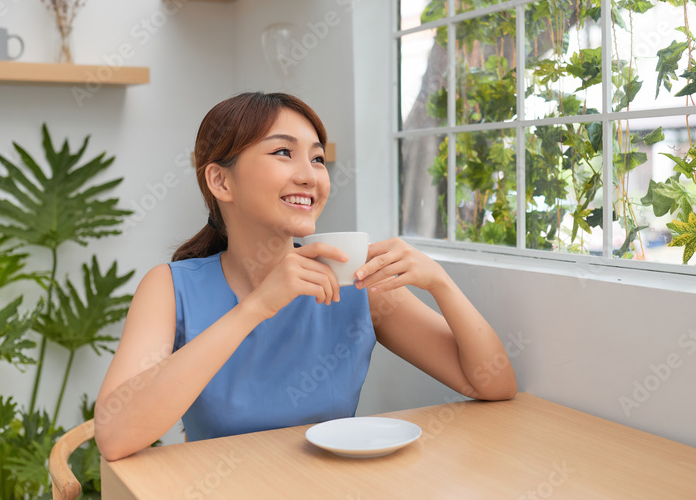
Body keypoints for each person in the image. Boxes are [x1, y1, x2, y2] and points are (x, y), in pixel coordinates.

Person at [95, 92, 516, 461]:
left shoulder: (352, 281)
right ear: (221, 180)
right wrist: (257, 307)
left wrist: (440, 282)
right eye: (283, 153)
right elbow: (114, 437)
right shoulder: (170, 287)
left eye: (317, 158)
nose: (310, 175)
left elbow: (493, 383)